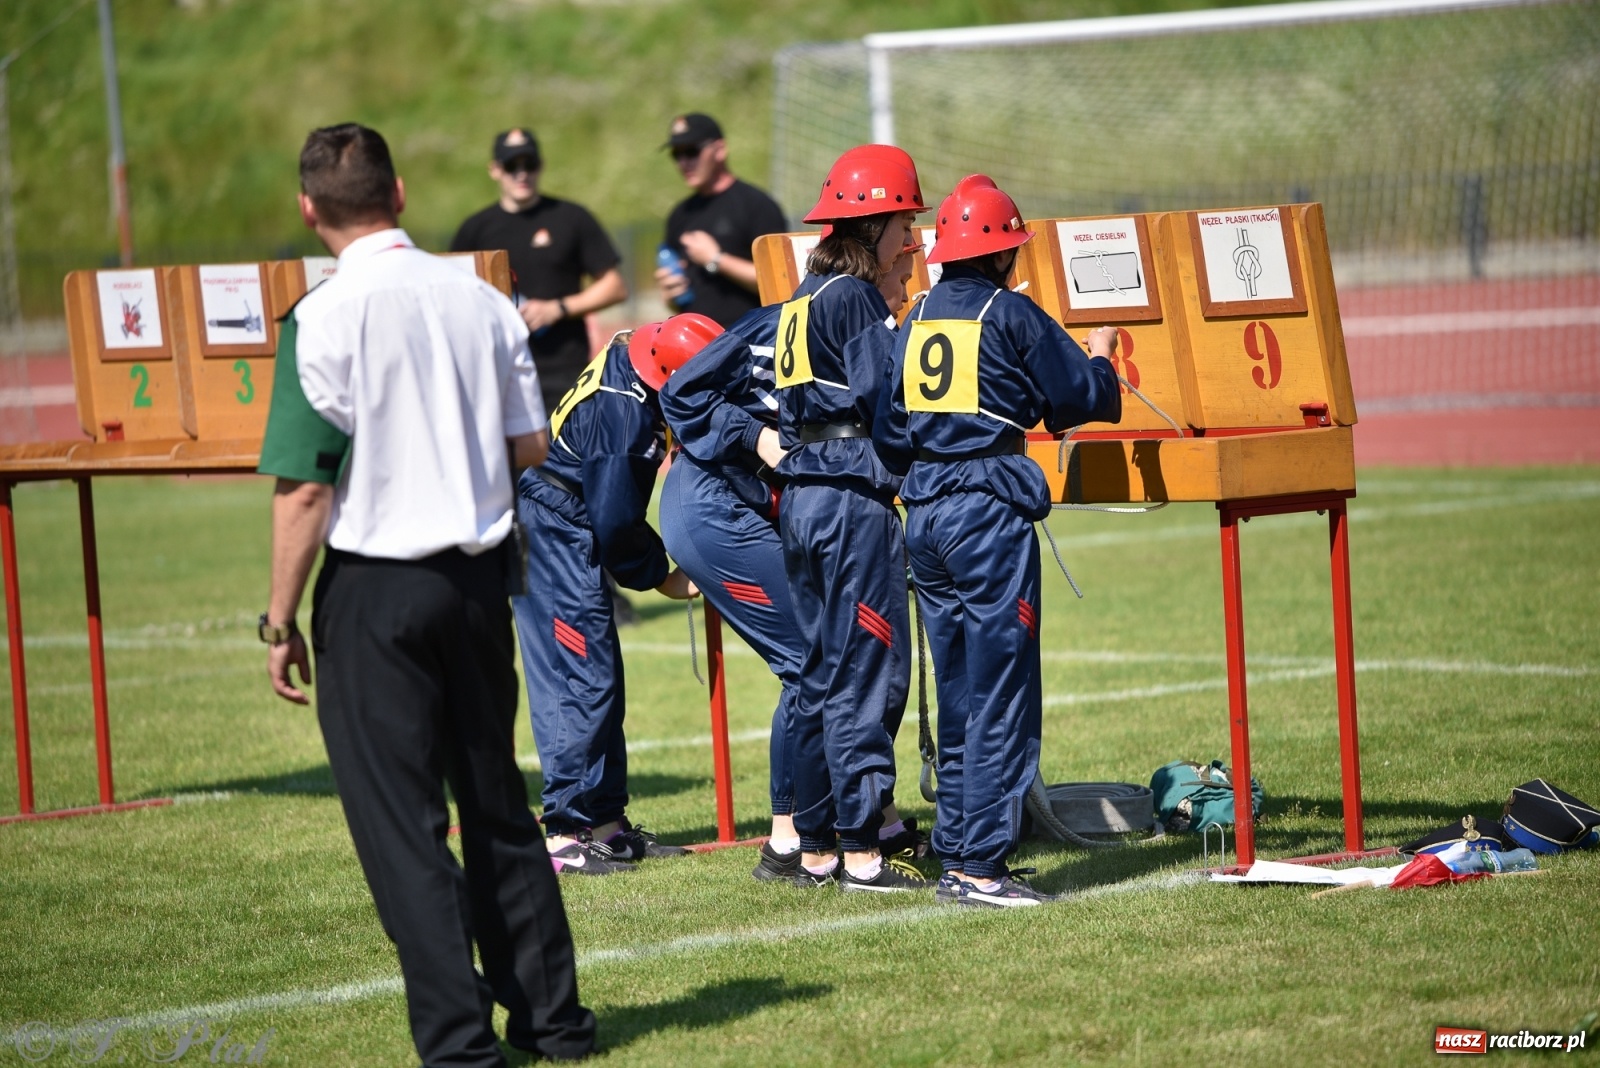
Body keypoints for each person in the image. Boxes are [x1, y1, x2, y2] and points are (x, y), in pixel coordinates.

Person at [259, 123, 594, 1065]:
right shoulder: (482, 300)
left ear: (309, 210)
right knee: (496, 804)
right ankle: (554, 1023)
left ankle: (457, 1043)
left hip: (375, 591)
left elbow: (305, 490)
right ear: (400, 194)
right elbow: (531, 447)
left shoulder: (320, 315)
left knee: (403, 826)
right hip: (480, 582)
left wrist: (278, 620)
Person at [875, 175, 1123, 908]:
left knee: (957, 690)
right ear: (1004, 252)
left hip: (925, 515)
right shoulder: (1010, 312)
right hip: (986, 515)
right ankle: (979, 865)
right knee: (1000, 692)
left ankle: (958, 842)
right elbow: (1078, 398)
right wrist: (1102, 357)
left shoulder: (914, 317)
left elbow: (891, 429)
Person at [657, 240, 922, 883]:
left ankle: (841, 826)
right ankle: (792, 839)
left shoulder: (831, 320)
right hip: (717, 505)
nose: (907, 293)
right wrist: (758, 438)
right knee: (814, 665)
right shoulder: (793, 321)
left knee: (827, 661)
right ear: (869, 274)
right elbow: (682, 391)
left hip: (757, 503)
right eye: (902, 278)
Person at [773, 144, 931, 893]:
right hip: (847, 501)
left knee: (817, 677)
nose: (913, 239)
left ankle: (814, 851)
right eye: (905, 223)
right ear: (872, 225)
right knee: (868, 673)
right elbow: (888, 408)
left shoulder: (804, 293)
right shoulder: (858, 301)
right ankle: (864, 853)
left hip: (802, 500)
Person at [512, 313, 715, 874]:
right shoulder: (623, 415)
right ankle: (566, 833)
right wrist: (663, 576)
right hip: (554, 526)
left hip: (558, 518)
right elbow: (618, 520)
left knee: (598, 678)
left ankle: (605, 825)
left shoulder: (633, 351)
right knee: (579, 677)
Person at [452, 127, 628, 416]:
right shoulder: (476, 229)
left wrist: (558, 308)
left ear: (541, 165)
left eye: (529, 164)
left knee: (565, 458)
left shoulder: (571, 218)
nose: (522, 173)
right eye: (511, 165)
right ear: (495, 170)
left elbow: (614, 286)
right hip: (498, 370)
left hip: (564, 370)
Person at [656, 113, 788, 327]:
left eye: (691, 152)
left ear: (719, 150)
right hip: (695, 346)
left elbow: (781, 281)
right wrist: (670, 293)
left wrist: (716, 259)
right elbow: (678, 299)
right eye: (676, 155)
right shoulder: (679, 214)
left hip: (748, 341)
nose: (684, 163)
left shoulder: (757, 205)